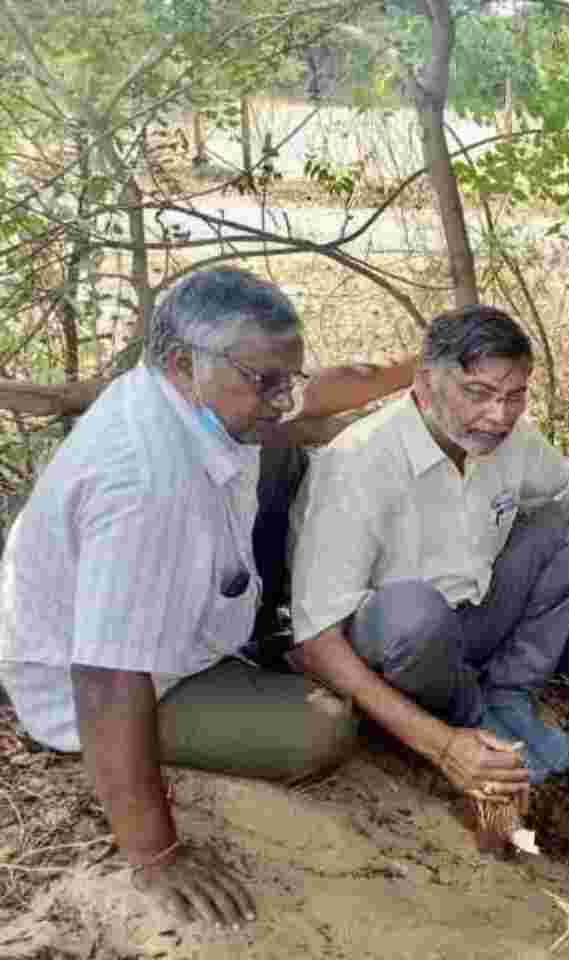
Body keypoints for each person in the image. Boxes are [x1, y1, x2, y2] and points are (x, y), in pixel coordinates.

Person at [0, 266, 368, 929]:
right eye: (265, 382)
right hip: (85, 689)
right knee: (323, 728)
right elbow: (107, 677)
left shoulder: (185, 398)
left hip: (170, 635)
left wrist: (413, 373)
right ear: (182, 364)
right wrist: (156, 854)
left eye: (292, 378)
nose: (284, 398)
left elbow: (308, 398)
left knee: (282, 451)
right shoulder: (146, 486)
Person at [291, 304, 569, 804]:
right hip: (400, 648)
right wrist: (444, 749)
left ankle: (511, 691)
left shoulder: (509, 435)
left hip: (476, 617)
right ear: (425, 385)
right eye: (479, 393)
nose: (499, 415)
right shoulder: (359, 463)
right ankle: (464, 719)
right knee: (413, 612)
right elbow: (316, 643)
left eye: (515, 396)